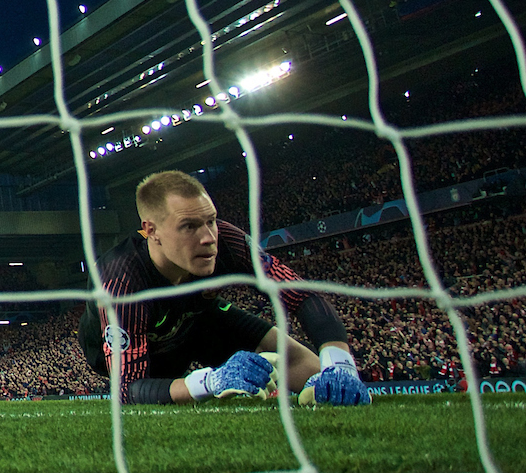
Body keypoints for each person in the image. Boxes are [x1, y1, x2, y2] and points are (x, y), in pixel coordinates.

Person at [79, 170, 370, 406]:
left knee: (301, 360)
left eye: (211, 221)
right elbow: (128, 389)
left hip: (195, 319)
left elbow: (300, 293)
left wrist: (340, 363)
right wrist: (209, 381)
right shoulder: (120, 279)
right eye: (189, 226)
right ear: (151, 231)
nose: (208, 237)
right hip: (141, 347)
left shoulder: (229, 241)